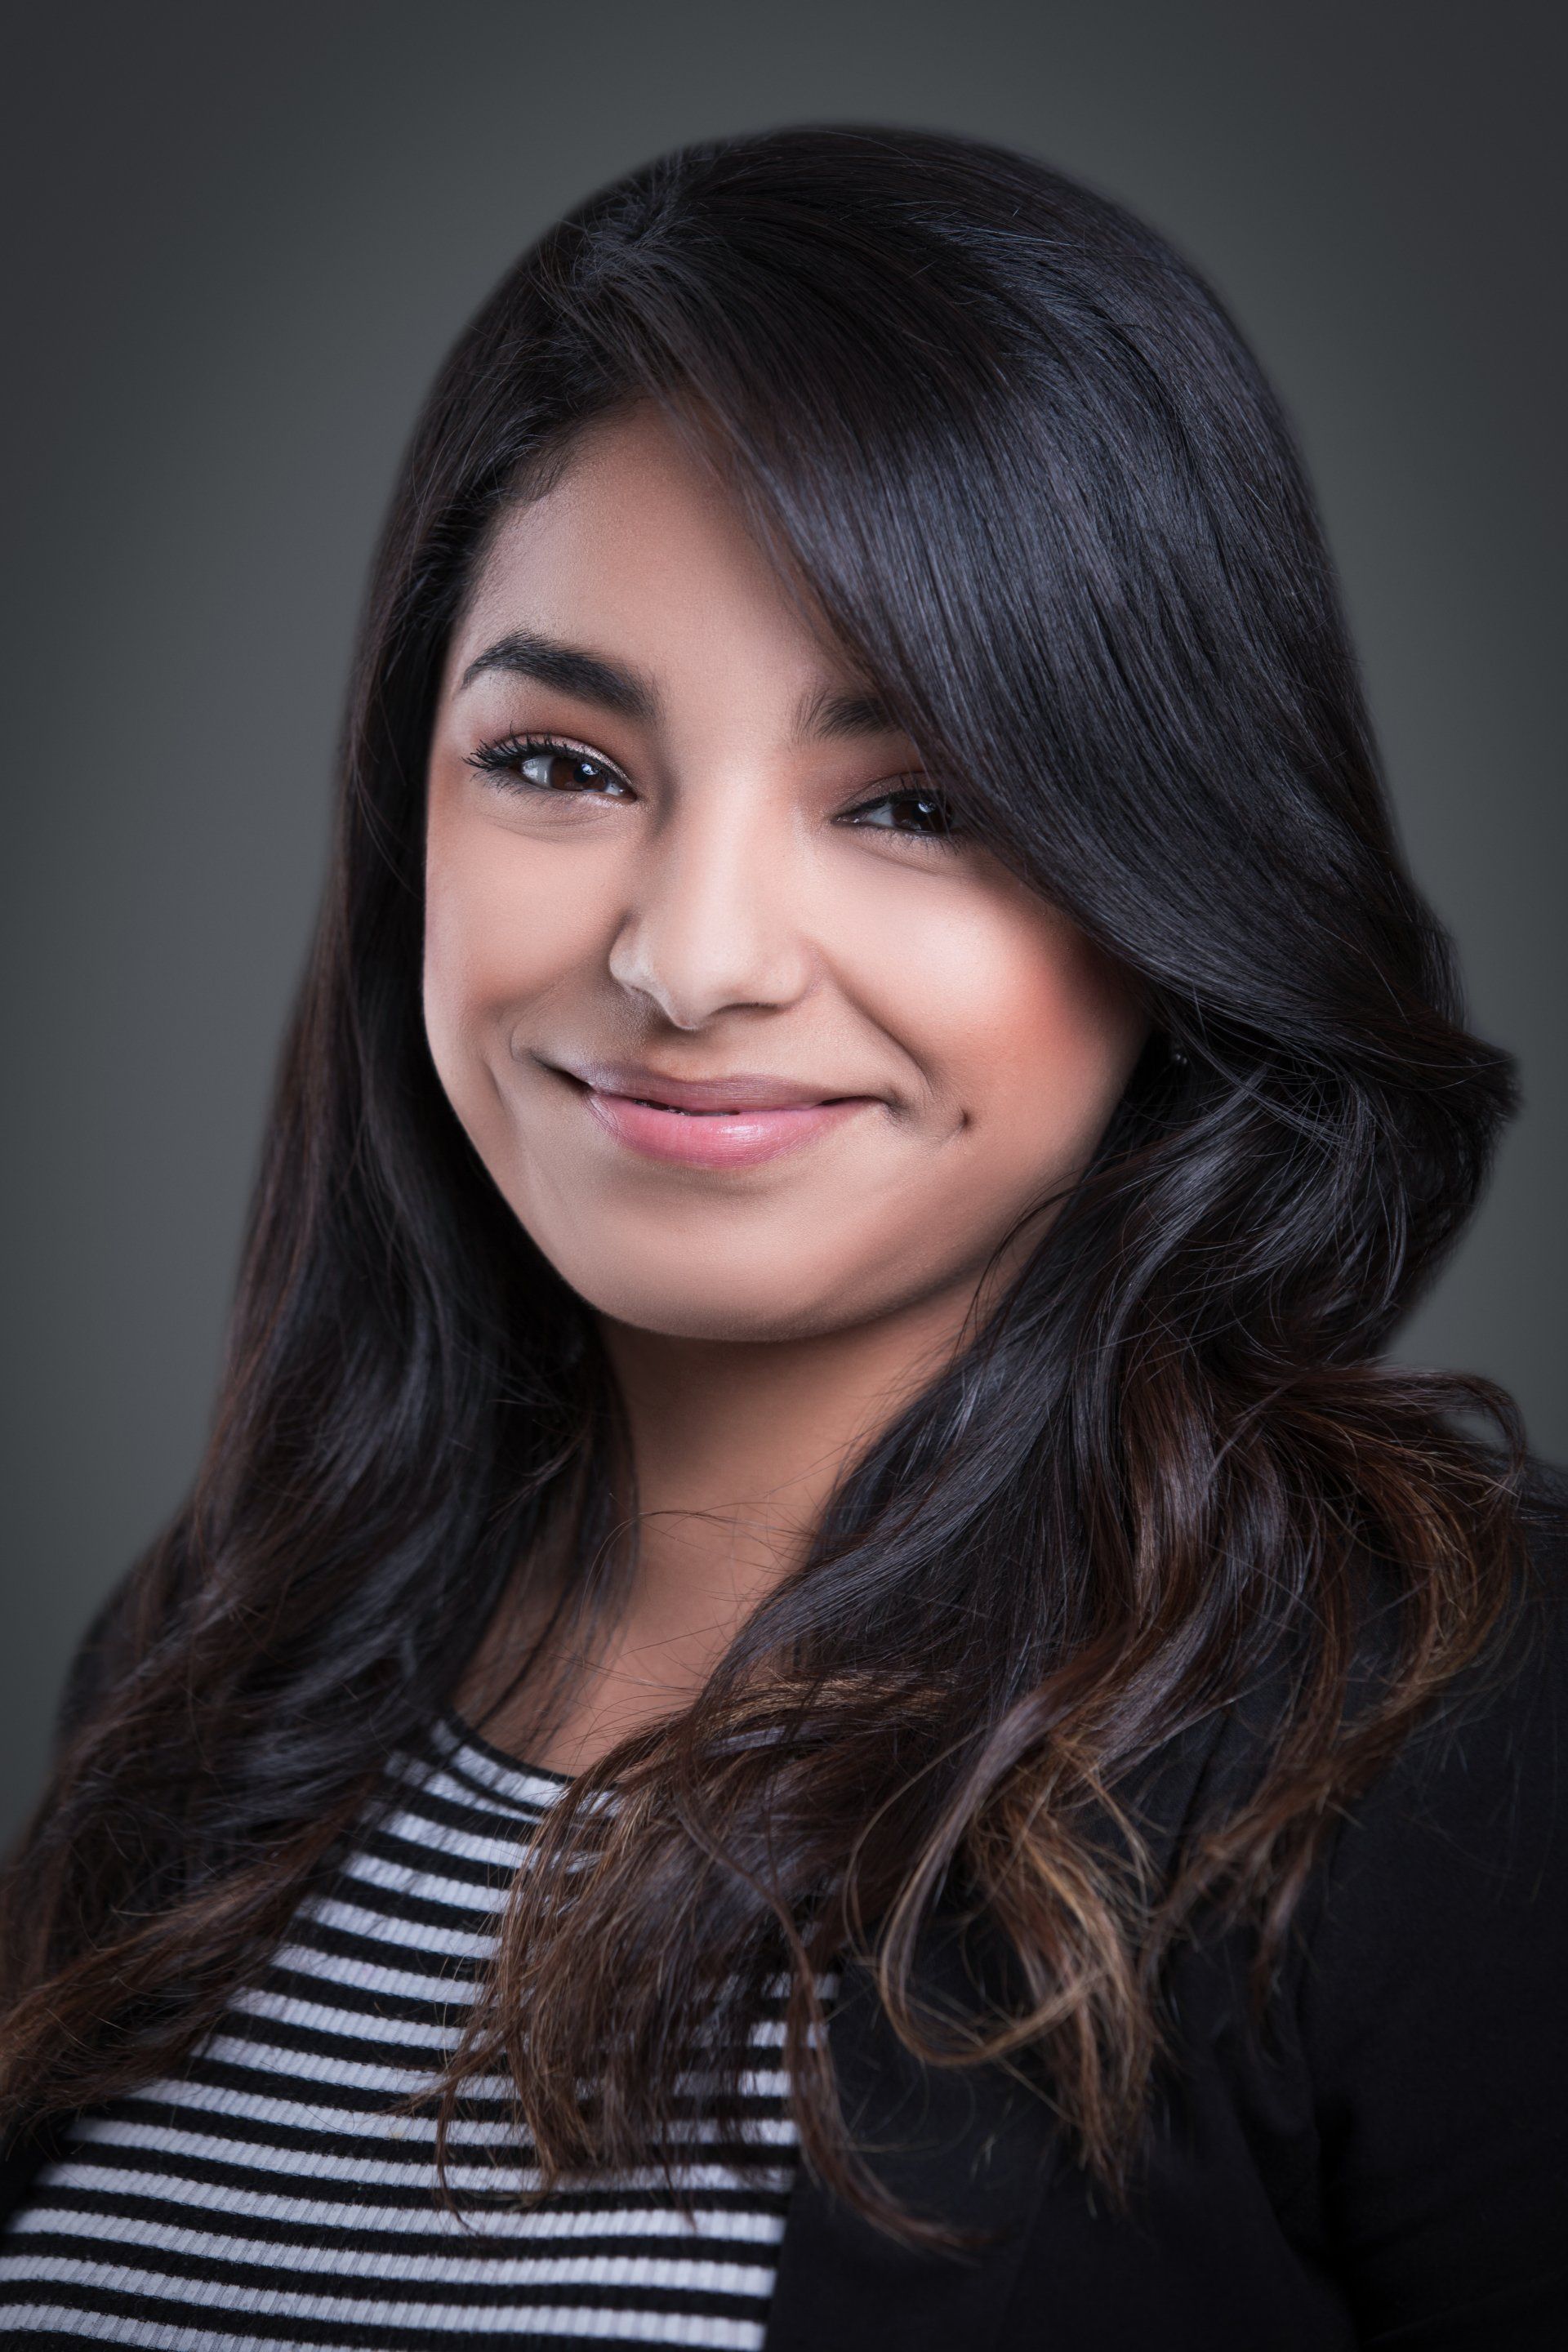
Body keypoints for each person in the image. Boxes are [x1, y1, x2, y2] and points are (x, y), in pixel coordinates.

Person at [0, 121, 1563, 2351]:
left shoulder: (1446, 1729)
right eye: (558, 762)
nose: (696, 955)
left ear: (1176, 873)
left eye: (917, 804)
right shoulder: (215, 1682)